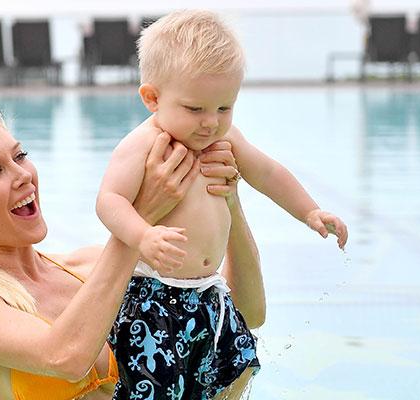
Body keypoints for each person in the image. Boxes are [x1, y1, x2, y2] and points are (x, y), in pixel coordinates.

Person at [0, 105, 265, 400]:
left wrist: (228, 201)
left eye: (19, 156)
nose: (23, 175)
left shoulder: (90, 267)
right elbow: (65, 356)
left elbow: (243, 314)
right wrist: (137, 222)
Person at [96, 10, 349, 400]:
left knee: (238, 367)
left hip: (210, 295)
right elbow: (108, 201)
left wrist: (310, 211)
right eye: (195, 109)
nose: (210, 123)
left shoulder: (225, 138)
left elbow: (268, 173)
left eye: (224, 107)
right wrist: (142, 235)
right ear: (152, 98)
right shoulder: (143, 145)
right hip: (154, 300)